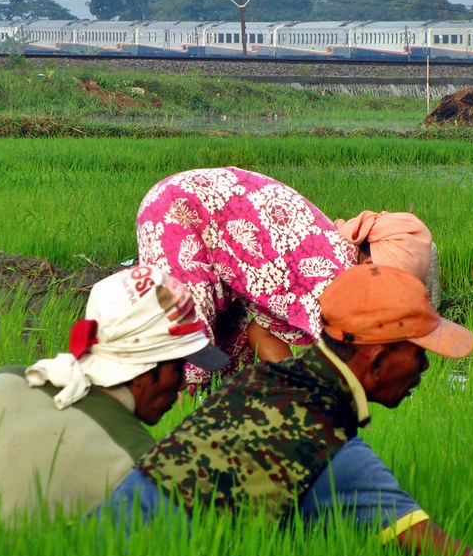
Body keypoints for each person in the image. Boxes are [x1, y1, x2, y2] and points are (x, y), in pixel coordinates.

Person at [101, 265, 473, 556]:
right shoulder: (335, 453)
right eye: (418, 353)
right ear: (376, 362)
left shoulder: (255, 382)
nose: (426, 368)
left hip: (95, 554)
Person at [0, 264, 227, 520]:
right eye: (179, 366)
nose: (183, 382)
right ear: (145, 367)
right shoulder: (135, 465)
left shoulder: (3, 383)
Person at [136, 166, 435, 389]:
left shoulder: (333, 257)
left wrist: (296, 392)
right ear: (368, 263)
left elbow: (261, 331)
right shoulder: (332, 277)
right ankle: (180, 426)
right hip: (178, 211)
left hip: (207, 222)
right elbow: (346, 364)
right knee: (188, 335)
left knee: (234, 341)